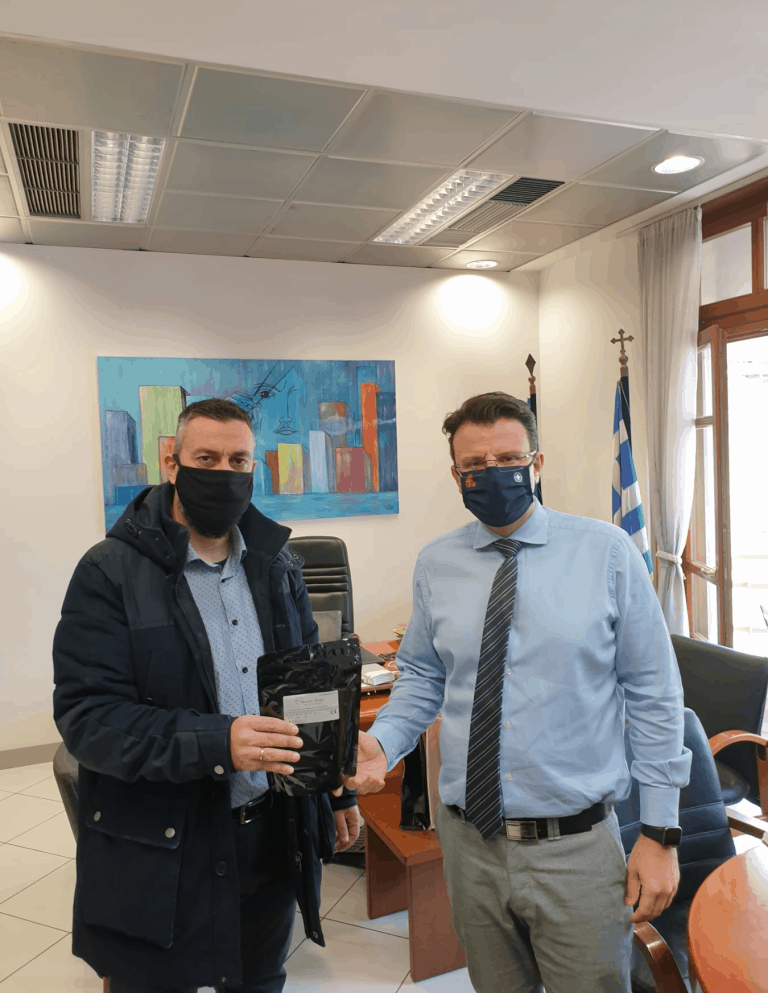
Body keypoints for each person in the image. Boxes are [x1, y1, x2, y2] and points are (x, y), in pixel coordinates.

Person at [346, 392, 692, 993]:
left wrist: (661, 834)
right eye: (474, 465)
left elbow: (654, 694)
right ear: (456, 475)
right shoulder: (437, 563)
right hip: (469, 846)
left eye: (508, 459)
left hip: (576, 849)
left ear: (536, 463)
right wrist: (384, 741)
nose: (492, 473)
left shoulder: (606, 553)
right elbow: (424, 674)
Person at [53, 398, 359, 993]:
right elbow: (88, 719)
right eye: (206, 458)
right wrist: (219, 741)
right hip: (164, 844)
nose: (224, 472)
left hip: (268, 838)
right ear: (172, 464)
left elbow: (311, 694)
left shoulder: (278, 565)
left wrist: (336, 790)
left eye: (238, 460)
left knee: (259, 980)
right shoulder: (109, 572)